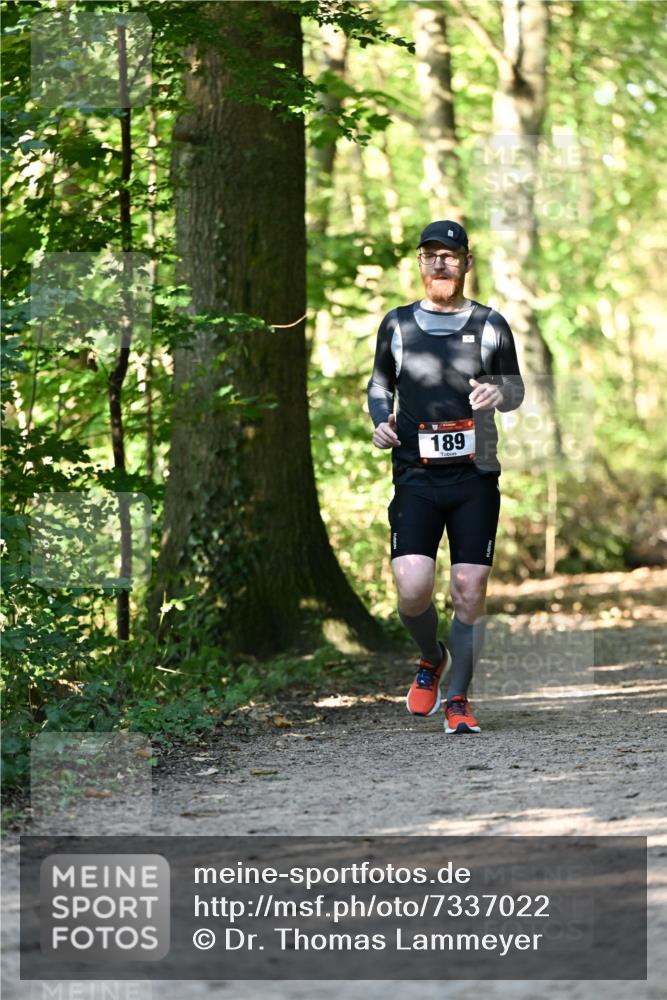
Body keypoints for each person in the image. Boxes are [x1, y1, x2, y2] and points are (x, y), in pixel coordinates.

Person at [367, 220, 524, 734]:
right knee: (413, 588)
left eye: (449, 256)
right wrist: (380, 421)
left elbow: (516, 388)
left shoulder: (490, 324)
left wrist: (499, 393)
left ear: (466, 263)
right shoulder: (397, 324)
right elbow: (379, 386)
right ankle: (431, 656)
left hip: (475, 477)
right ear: (419, 263)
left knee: (469, 589)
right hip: (415, 476)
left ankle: (458, 699)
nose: (439, 263)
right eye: (430, 255)